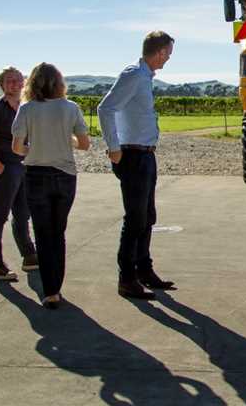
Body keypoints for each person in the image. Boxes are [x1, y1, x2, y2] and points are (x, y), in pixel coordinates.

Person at [97, 31, 176, 300]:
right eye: (169, 53)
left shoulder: (144, 78)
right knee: (135, 220)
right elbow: (104, 109)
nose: (169, 59)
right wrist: (114, 147)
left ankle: (144, 270)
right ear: (160, 52)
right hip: (132, 155)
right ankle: (127, 278)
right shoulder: (133, 75)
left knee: (147, 217)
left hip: (145, 155)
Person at [11, 63, 90, 308]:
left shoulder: (26, 109)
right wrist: (66, 140)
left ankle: (50, 291)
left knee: (43, 234)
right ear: (59, 83)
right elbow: (84, 144)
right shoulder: (71, 108)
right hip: (65, 175)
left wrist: (34, 149)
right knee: (58, 232)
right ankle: (57, 283)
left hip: (36, 175)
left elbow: (17, 148)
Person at [0, 66, 37, 281]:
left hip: (23, 168)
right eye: (9, 80)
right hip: (4, 169)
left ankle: (29, 256)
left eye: (18, 80)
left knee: (22, 214)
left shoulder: (25, 107)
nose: (15, 83)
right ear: (2, 85)